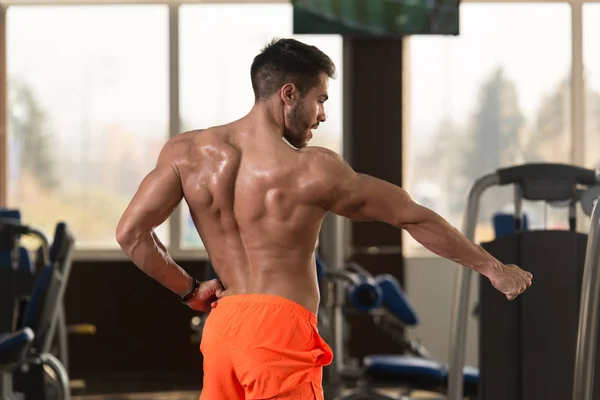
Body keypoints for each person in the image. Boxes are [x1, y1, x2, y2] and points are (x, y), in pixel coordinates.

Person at [115, 37, 533, 400]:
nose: (323, 115)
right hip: (279, 332)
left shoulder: (186, 154)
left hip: (224, 327)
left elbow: (130, 234)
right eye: (321, 100)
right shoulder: (312, 170)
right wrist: (492, 268)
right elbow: (411, 216)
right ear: (289, 94)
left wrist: (189, 291)